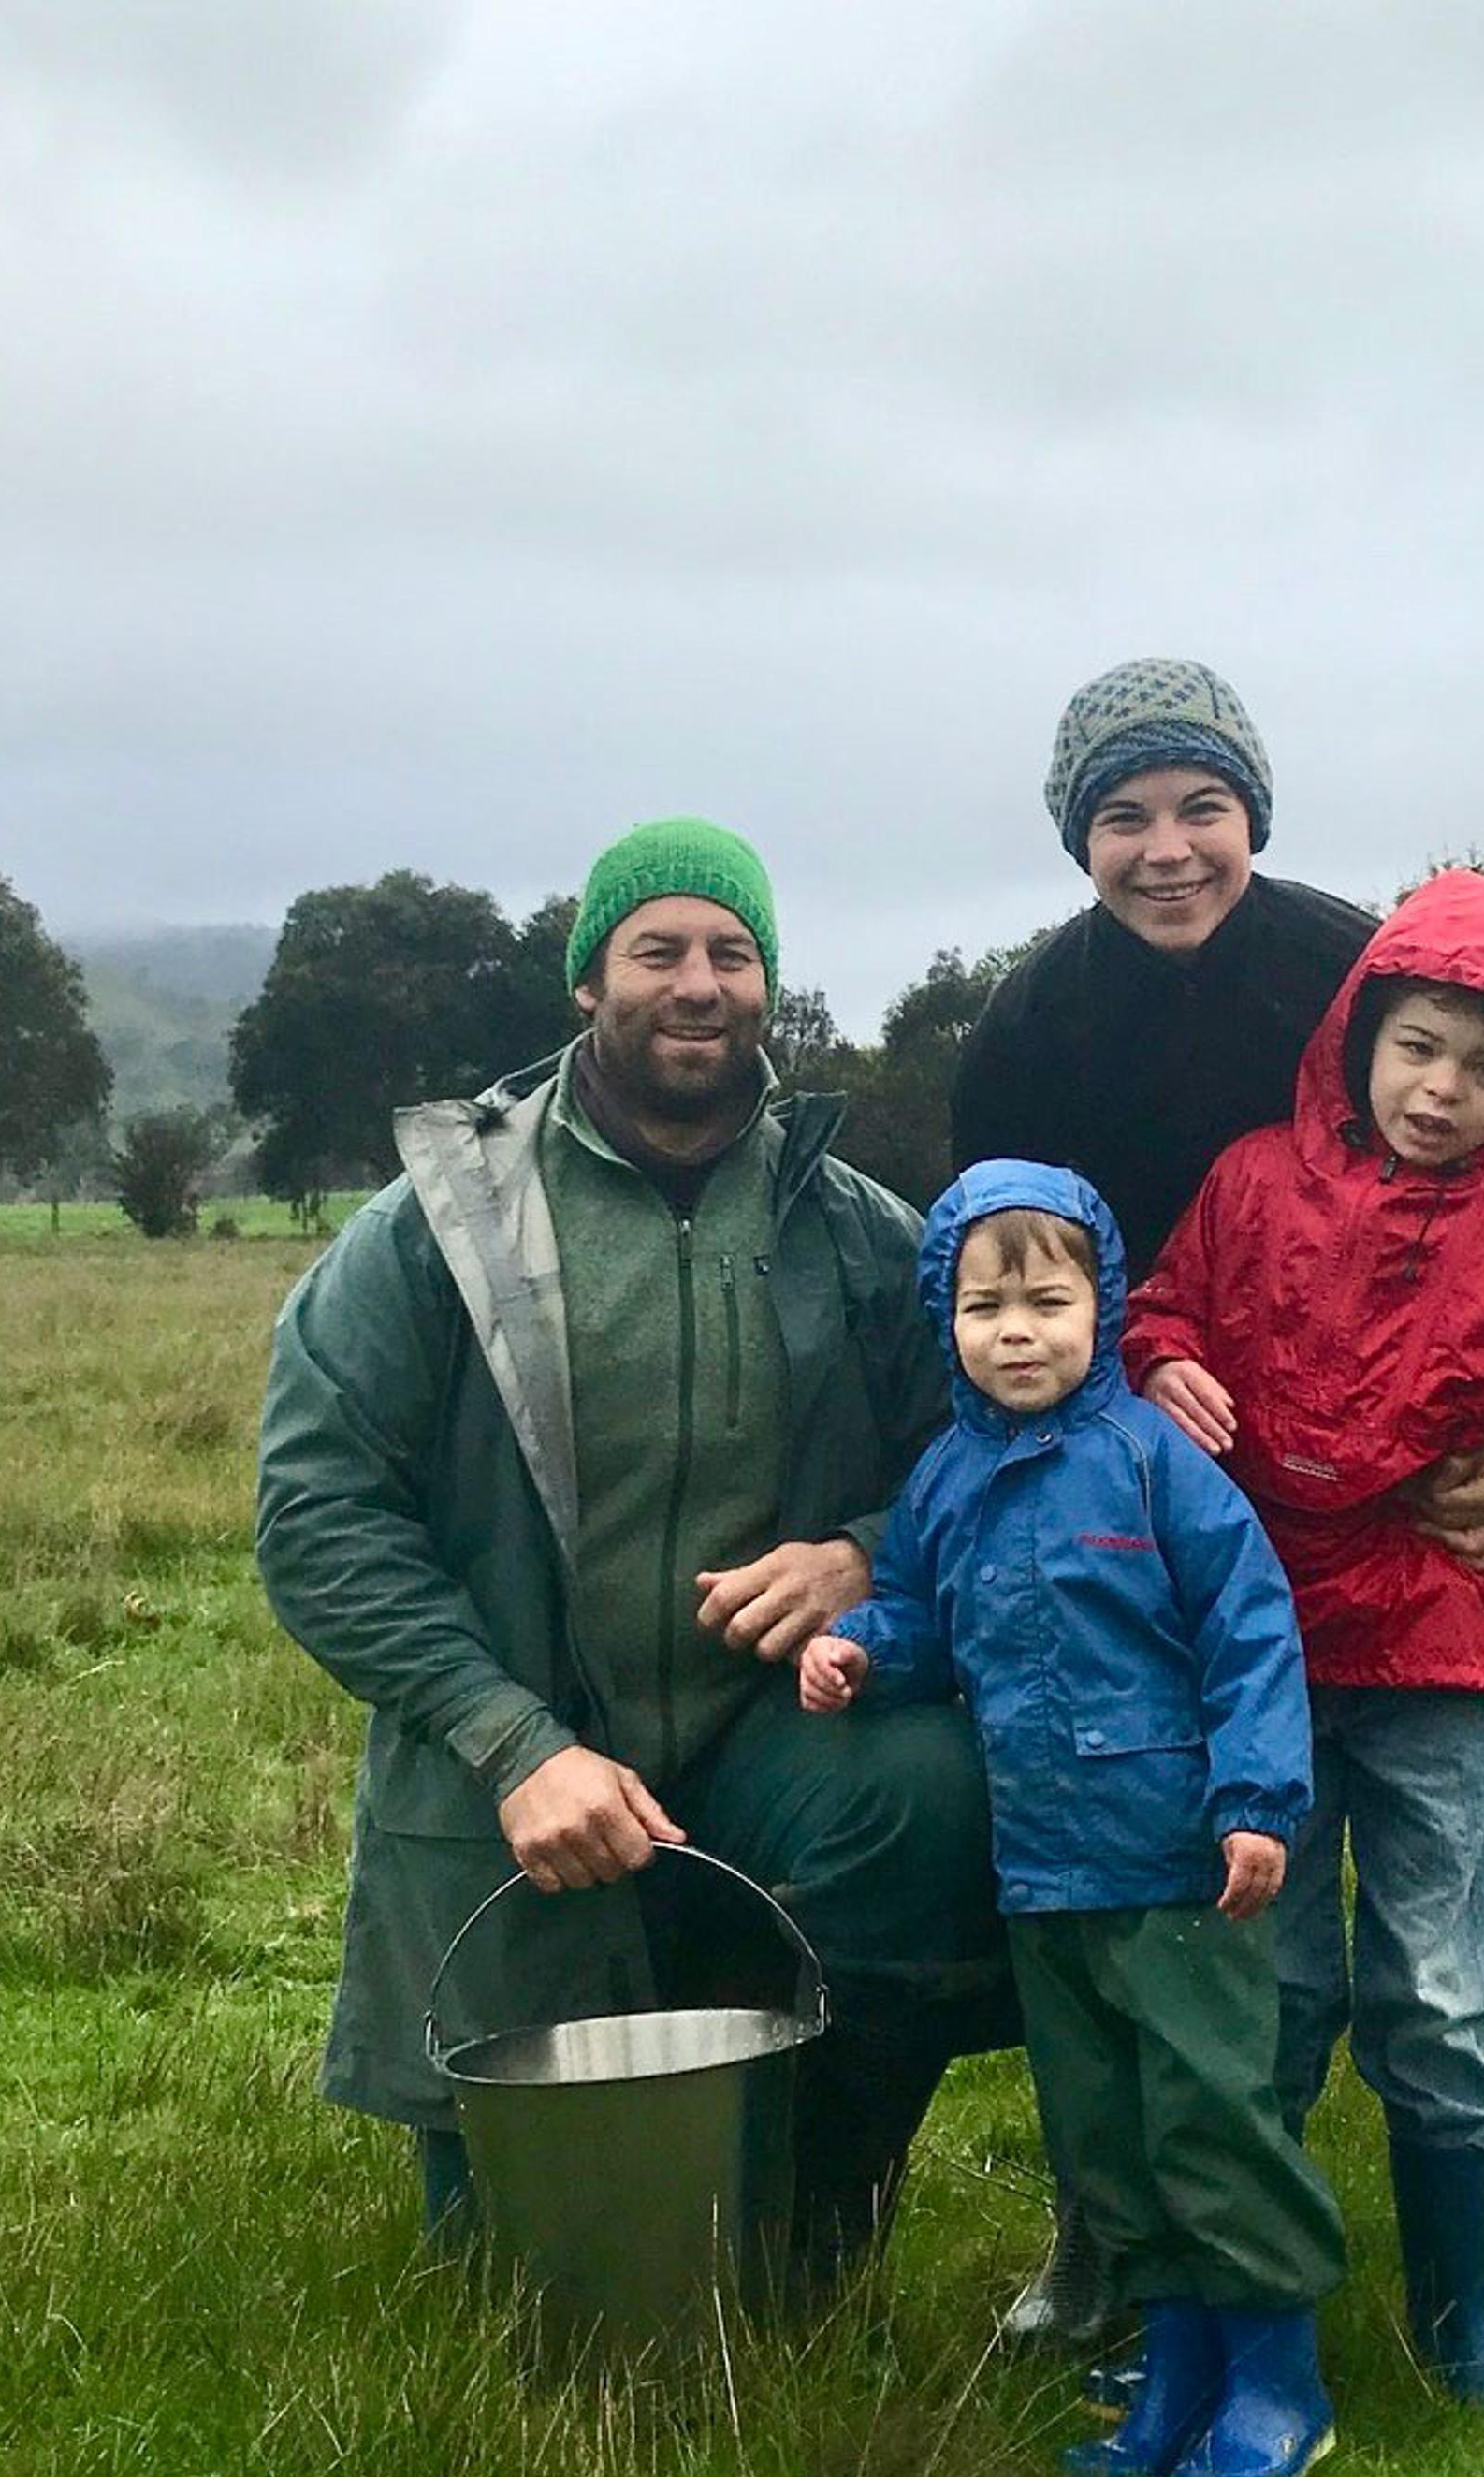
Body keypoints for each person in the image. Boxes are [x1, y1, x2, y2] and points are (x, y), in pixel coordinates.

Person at [949, 657, 1484, 2344]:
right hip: (1140, 1488)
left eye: (1203, 808)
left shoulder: (1355, 965)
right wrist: (1106, 1418)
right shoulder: (1029, 1029)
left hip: (1401, 1540)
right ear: (1078, 840)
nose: (1167, 848)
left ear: (1254, 816)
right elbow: (992, 1271)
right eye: (1123, 817)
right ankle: (1120, 2230)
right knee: (1147, 1862)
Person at [255, 816, 1005, 2295]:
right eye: (657, 949)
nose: (699, 983)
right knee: (519, 2286)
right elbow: (317, 1513)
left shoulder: (859, 1233)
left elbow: (985, 1456)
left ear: (767, 987)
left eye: (733, 953)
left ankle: (808, 2231)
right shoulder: (439, 1233)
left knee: (928, 1798)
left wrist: (863, 1555)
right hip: (518, 1759)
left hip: (772, 1737)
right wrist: (511, 1743)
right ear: (589, 983)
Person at [1129, 866, 1484, 2442]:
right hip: (1265, 1650)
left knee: (1436, 1984)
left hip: (1437, 1649)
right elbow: (1164, 1310)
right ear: (1360, 1033)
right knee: (1276, 1989)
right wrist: (1158, 1362)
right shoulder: (1247, 1183)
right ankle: (1256, 2300)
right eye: (1419, 1047)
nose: (1442, 1090)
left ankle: (1460, 2329)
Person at [800, 1159, 1346, 2477]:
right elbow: (924, 1619)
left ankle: (1275, 2373)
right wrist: (864, 1648)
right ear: (947, 1322)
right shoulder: (943, 1482)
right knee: (1101, 2131)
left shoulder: (1156, 1464)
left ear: (1102, 1308)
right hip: (1043, 1876)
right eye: (985, 1308)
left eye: (1049, 1302)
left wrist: (1256, 1804)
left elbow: (1252, 1632)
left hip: (1180, 1871)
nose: (1018, 1334)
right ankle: (1172, 2363)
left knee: (1210, 2114)